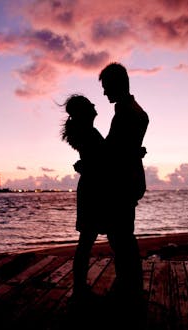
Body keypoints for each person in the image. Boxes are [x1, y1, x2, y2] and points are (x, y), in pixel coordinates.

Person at [99, 62, 149, 299]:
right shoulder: (127, 110)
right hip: (127, 180)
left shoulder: (129, 113)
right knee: (121, 234)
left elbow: (115, 149)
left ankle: (129, 286)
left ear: (117, 85)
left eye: (106, 87)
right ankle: (129, 283)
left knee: (121, 236)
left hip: (124, 182)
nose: (104, 92)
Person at [60, 94, 108, 300]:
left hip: (92, 188)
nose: (95, 105)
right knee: (86, 240)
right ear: (84, 111)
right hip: (92, 190)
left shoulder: (86, 132)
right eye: (90, 104)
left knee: (86, 240)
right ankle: (79, 289)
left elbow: (97, 160)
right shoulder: (87, 133)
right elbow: (100, 161)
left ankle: (80, 288)